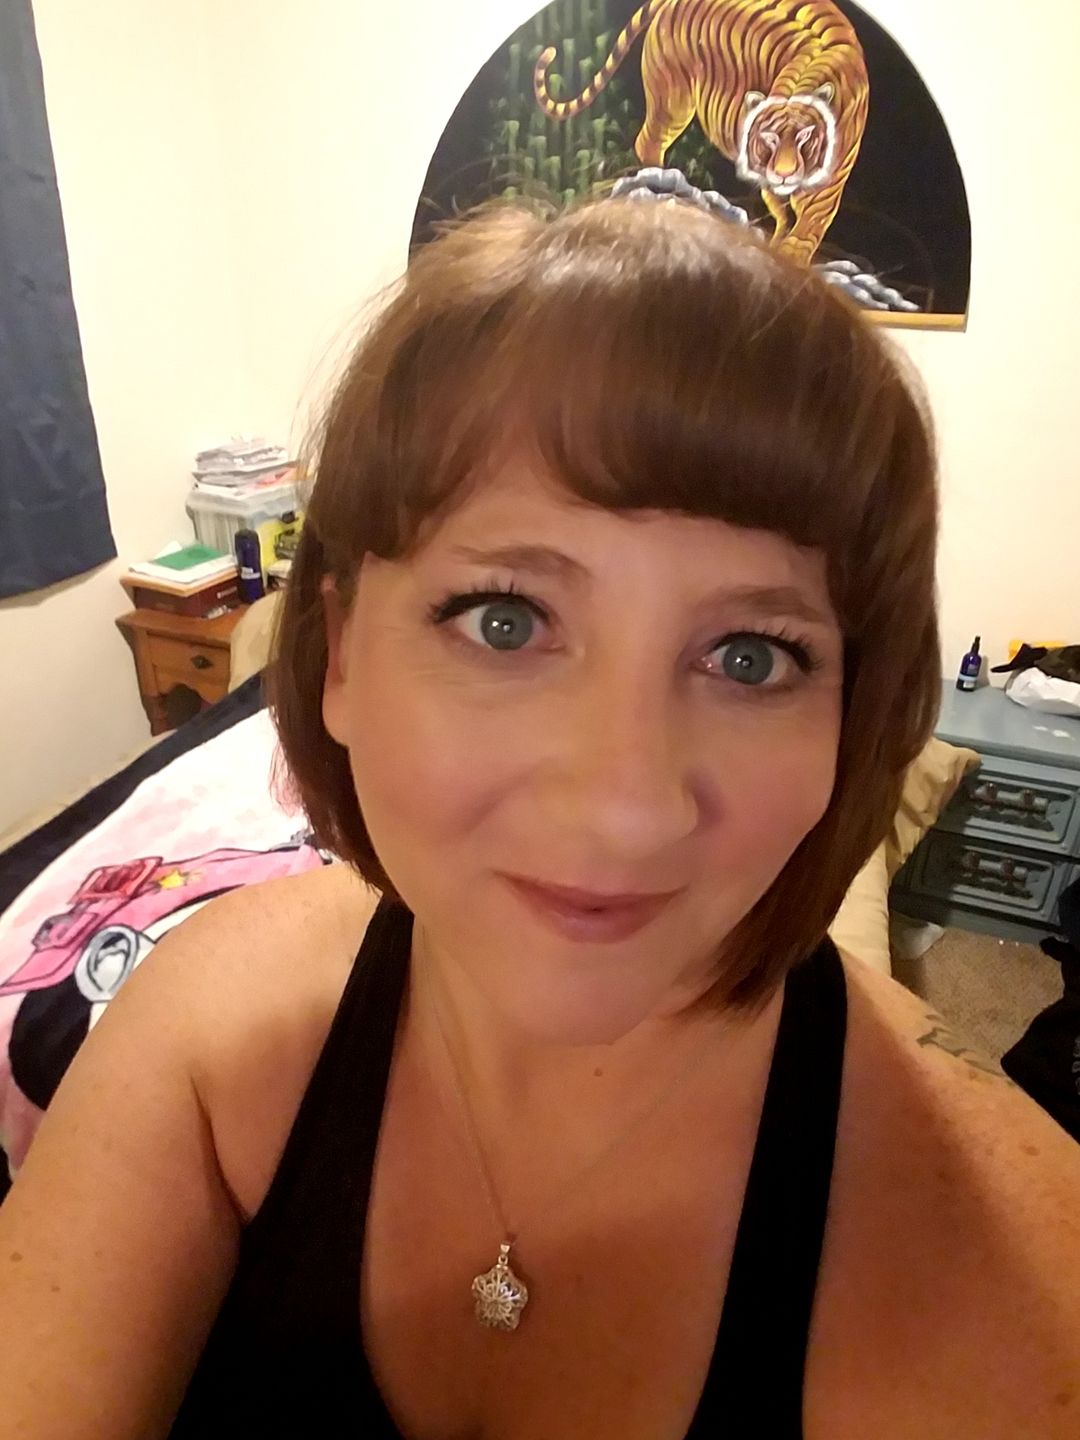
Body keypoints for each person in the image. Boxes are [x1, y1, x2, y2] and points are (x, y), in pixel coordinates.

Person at [2, 193, 1078, 1440]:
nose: (626, 810)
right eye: (504, 620)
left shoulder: (1017, 1289)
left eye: (751, 656)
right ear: (340, 655)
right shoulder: (206, 1032)